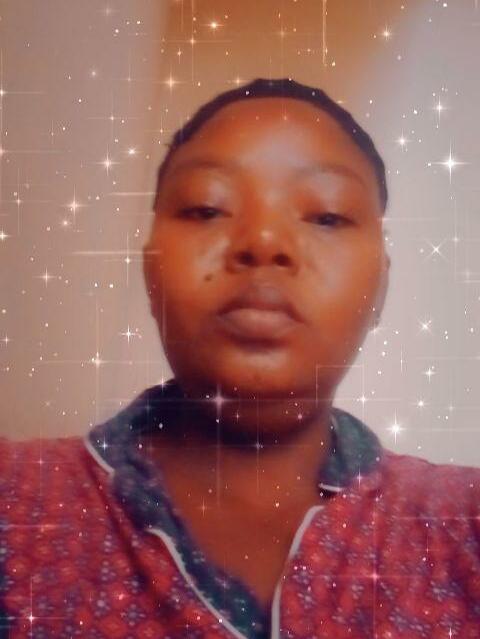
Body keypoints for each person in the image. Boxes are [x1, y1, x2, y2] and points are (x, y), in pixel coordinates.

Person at [0, 78, 479, 639]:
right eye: (207, 208)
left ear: (381, 289)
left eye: (326, 215)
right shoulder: (16, 502)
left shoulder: (462, 522)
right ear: (150, 271)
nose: (263, 241)